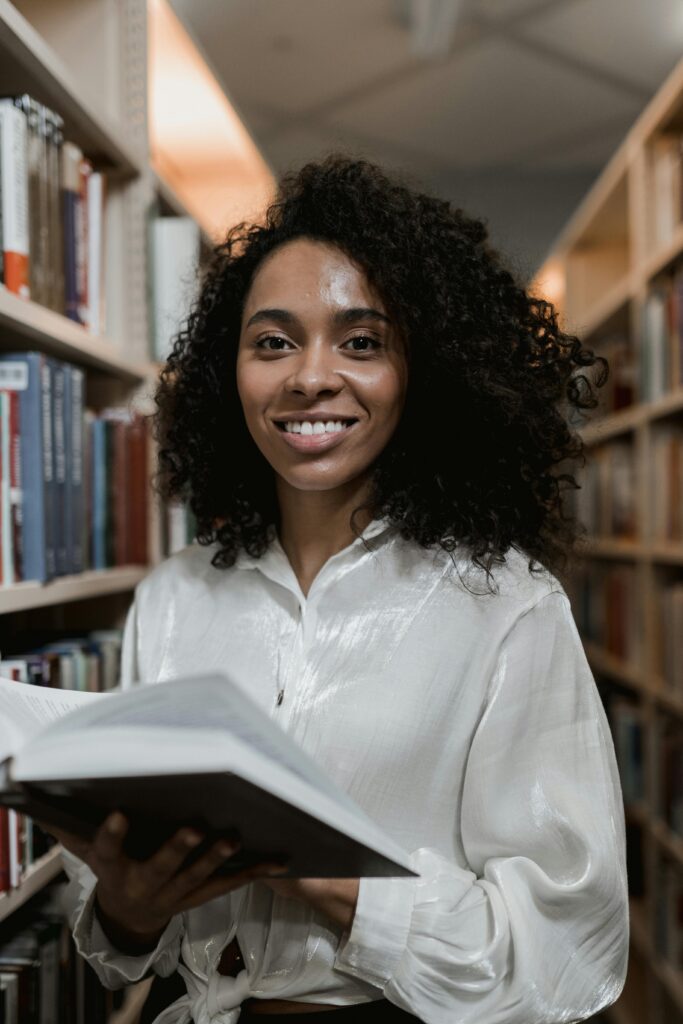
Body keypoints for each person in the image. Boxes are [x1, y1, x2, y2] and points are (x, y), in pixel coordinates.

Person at [54, 156, 628, 1024]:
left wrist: (321, 869)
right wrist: (130, 910)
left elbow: (566, 950)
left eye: (360, 342)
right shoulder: (171, 598)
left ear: (421, 372)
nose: (309, 376)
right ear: (229, 374)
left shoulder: (509, 605)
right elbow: (121, 950)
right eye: (273, 341)